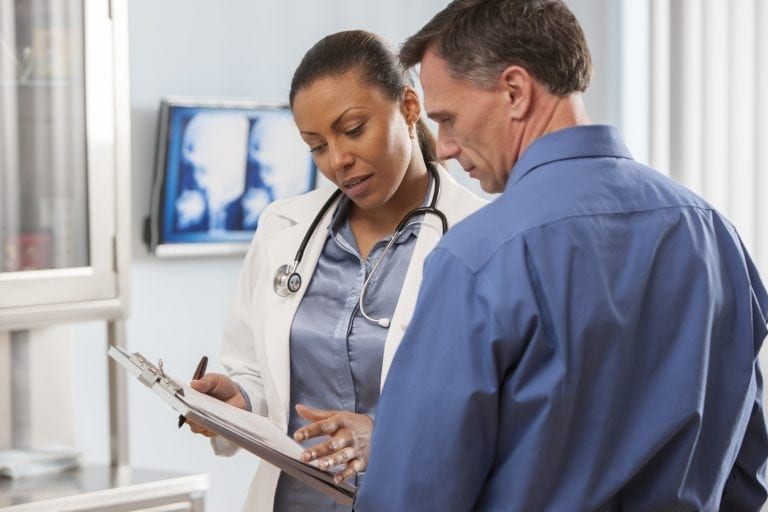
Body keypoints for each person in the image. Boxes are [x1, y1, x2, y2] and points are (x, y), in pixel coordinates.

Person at [356, 1, 768, 511]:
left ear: (514, 91)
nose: (442, 148)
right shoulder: (712, 234)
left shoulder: (480, 259)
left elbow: (412, 495)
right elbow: (746, 469)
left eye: (448, 118)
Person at [186, 29, 487, 511]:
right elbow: (256, 370)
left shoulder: (480, 236)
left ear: (410, 108)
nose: (337, 160)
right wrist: (239, 400)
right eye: (316, 145)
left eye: (352, 129)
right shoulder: (282, 228)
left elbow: (501, 410)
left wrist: (386, 437)